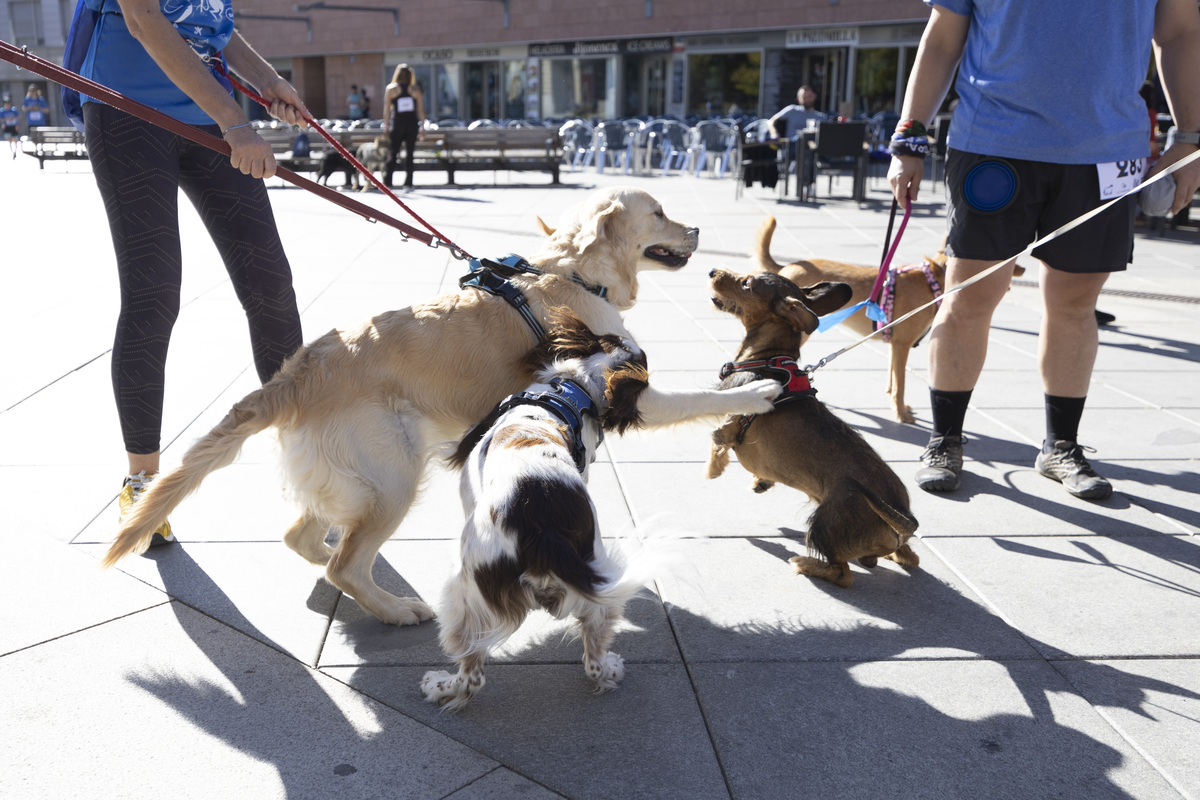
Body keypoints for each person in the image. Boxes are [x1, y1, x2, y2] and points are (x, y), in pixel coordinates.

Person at [888, 0, 1200, 501]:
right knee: (967, 299)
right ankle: (944, 440)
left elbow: (1181, 32)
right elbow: (943, 38)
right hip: (993, 142)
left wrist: (1188, 137)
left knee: (1075, 305)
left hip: (1106, 152)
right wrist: (910, 134)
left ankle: (1062, 447)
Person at [79, 0, 309, 543]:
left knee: (271, 284)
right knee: (154, 291)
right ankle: (142, 481)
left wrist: (269, 81)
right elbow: (144, 20)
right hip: (126, 109)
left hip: (206, 112)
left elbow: (213, 26)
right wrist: (236, 120)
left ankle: (310, 459)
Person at [383, 64, 425, 193]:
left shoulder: (391, 89)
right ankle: (408, 183)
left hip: (397, 124)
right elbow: (420, 110)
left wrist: (386, 125)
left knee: (393, 153)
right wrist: (423, 126)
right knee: (410, 154)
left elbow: (387, 109)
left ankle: (388, 182)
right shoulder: (415, 89)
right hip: (412, 125)